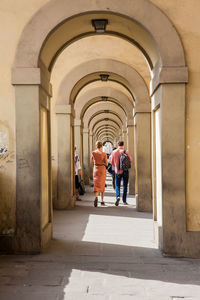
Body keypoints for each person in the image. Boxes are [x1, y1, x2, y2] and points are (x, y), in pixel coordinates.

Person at [110, 141, 133, 206]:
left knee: (117, 185)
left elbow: (111, 162)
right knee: (125, 185)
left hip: (117, 171)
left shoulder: (114, 152)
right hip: (125, 170)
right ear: (123, 145)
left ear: (118, 145)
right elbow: (131, 160)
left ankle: (118, 197)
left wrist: (116, 165)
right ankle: (124, 200)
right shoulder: (126, 151)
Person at [92, 141, 108, 207]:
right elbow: (106, 163)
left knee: (96, 184)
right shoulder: (104, 154)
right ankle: (102, 200)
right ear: (101, 146)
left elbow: (92, 160)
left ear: (96, 146)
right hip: (102, 169)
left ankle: (96, 197)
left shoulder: (93, 152)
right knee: (102, 184)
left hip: (96, 168)